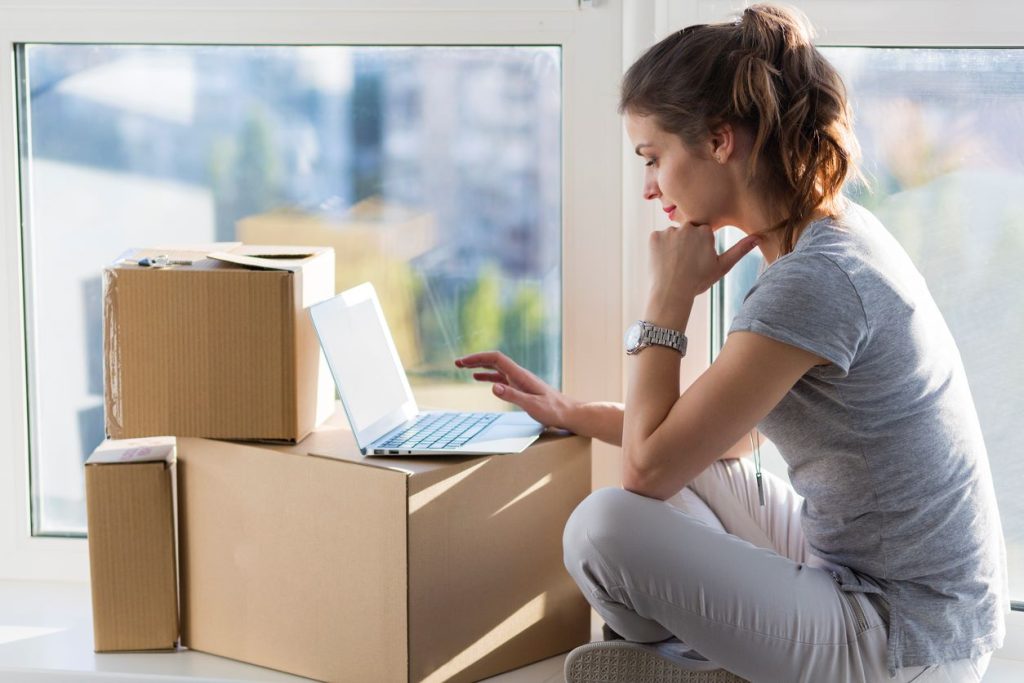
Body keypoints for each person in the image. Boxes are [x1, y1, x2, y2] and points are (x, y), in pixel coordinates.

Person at [455, 3, 1008, 682]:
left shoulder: (815, 279)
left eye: (654, 157)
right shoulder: (821, 237)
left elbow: (646, 468)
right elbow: (719, 440)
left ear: (720, 139)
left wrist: (669, 301)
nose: (651, 186)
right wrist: (572, 411)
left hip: (901, 636)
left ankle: (706, 662)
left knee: (603, 528)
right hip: (858, 574)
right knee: (678, 482)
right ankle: (723, 659)